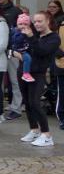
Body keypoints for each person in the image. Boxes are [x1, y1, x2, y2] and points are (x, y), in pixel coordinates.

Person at [16, 12, 60, 147]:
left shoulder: (53, 38)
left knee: (35, 103)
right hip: (23, 72)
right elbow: (20, 47)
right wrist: (14, 52)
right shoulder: (34, 34)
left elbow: (42, 51)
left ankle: (46, 135)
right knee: (28, 103)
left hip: (38, 74)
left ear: (48, 21)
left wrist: (31, 37)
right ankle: (34, 130)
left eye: (40, 21)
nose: (36, 24)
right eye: (35, 21)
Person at [0, 0, 23, 120]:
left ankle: (16, 108)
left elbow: (22, 29)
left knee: (15, 80)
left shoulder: (16, 11)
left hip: (12, 50)